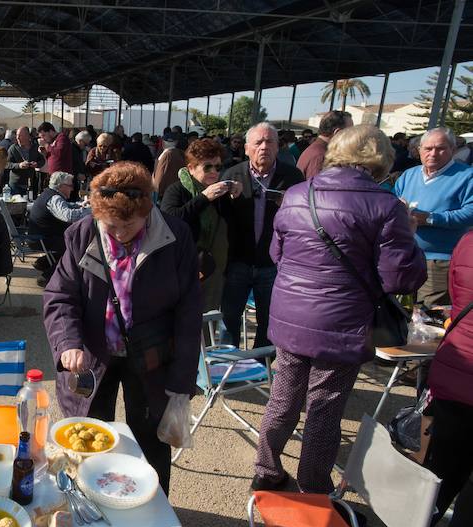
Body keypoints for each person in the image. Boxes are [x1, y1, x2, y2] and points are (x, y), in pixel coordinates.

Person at [253, 125, 425, 499]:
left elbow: (277, 255)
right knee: (324, 409)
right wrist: (409, 235)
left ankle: (265, 470)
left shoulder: (297, 194)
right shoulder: (386, 206)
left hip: (290, 315)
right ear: (378, 158)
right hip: (343, 322)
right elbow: (399, 278)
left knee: (283, 398)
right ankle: (313, 487)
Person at [42, 161, 202, 495]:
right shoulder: (82, 233)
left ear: (147, 209)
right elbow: (60, 295)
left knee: (148, 439)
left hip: (151, 355)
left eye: (128, 225)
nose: (118, 233)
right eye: (110, 225)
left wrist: (181, 381)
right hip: (92, 352)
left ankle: (151, 503)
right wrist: (69, 343)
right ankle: (88, 498)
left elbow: (189, 312)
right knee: (88, 434)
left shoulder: (175, 236)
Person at [385, 230, 473, 527]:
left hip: (452, 373)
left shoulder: (467, 240)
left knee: (435, 471)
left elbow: (456, 290)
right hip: (457, 374)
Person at [219, 122, 304, 349]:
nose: (264, 147)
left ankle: (259, 367)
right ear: (246, 148)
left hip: (273, 264)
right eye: (258, 142)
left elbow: (303, 222)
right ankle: (228, 367)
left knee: (268, 320)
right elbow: (219, 218)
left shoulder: (293, 178)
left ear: (278, 147)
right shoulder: (231, 175)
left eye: (270, 142)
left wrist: (292, 204)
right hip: (237, 260)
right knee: (229, 318)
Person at [394, 127, 473, 308]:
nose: (433, 153)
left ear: (453, 150)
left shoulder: (467, 176)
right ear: (419, 150)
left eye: (440, 148)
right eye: (428, 148)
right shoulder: (409, 175)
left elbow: (470, 213)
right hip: (407, 254)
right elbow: (394, 200)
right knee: (403, 310)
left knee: (430, 313)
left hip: (440, 260)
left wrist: (431, 218)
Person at [160, 138, 236, 312]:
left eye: (217, 167)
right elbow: (170, 219)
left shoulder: (221, 192)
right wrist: (203, 198)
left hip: (213, 271)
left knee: (208, 320)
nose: (214, 172)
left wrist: (234, 193)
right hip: (182, 268)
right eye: (207, 166)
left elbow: (230, 228)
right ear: (191, 168)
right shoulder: (177, 190)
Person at [28, 171, 91, 286]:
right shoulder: (54, 198)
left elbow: (66, 206)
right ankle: (46, 277)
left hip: (41, 236)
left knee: (71, 243)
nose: (72, 189)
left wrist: (81, 205)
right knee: (75, 247)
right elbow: (69, 216)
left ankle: (43, 262)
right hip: (42, 239)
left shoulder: (50, 194)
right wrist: (91, 211)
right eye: (70, 186)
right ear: (61, 186)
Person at [296, 111, 353, 179]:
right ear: (337, 132)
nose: (352, 136)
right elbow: (317, 187)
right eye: (350, 131)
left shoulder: (318, 150)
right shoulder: (321, 156)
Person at [7, 126, 45, 196]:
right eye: (17, 135)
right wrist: (19, 165)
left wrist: (37, 164)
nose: (17, 138)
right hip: (16, 184)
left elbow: (42, 160)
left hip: (31, 183)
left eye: (20, 136)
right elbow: (6, 164)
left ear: (27, 136)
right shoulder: (13, 148)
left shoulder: (35, 147)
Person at [153, 132, 187, 198]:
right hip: (178, 191)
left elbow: (160, 178)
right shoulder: (181, 153)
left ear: (163, 143)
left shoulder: (166, 155)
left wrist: (157, 191)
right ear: (176, 142)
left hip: (166, 193)